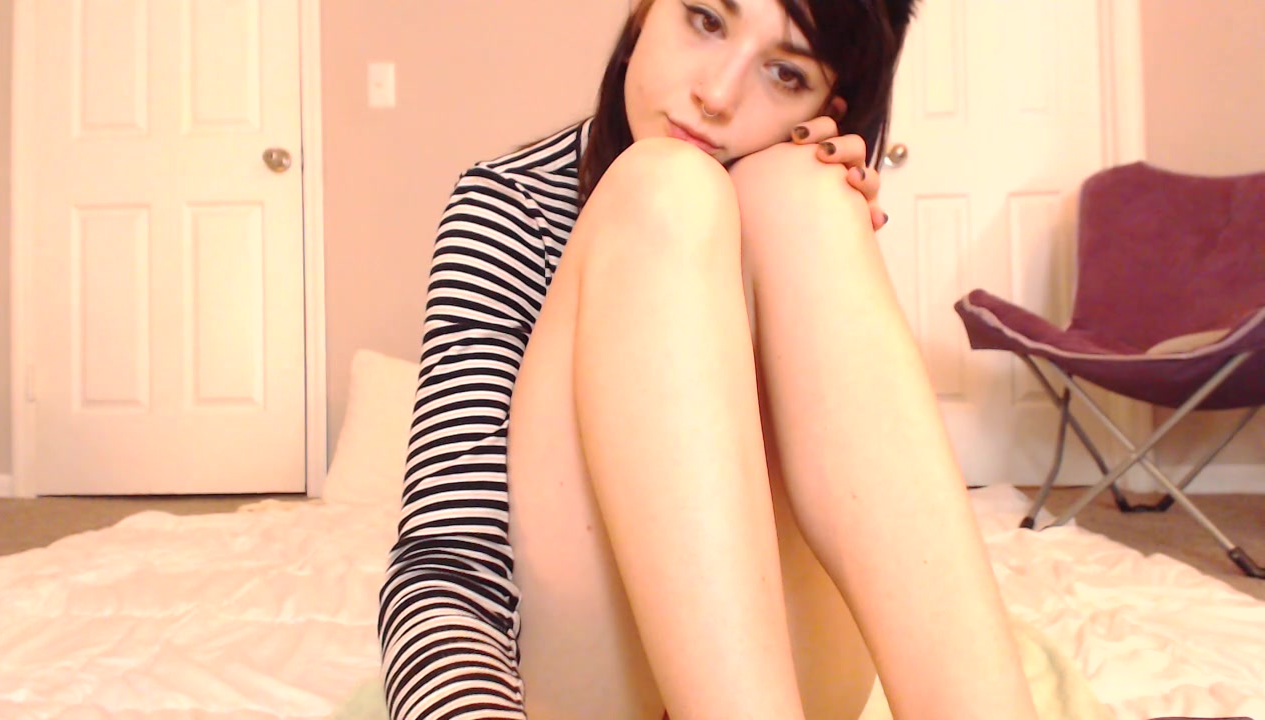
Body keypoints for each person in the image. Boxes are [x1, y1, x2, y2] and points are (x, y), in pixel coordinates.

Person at [378, 1, 1041, 719]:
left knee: (800, 190)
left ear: (827, 109)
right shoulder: (509, 203)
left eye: (786, 74)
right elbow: (443, 563)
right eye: (706, 19)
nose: (718, 95)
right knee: (667, 187)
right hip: (587, 683)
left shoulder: (802, 207)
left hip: (786, 681)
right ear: (646, 8)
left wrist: (826, 231)